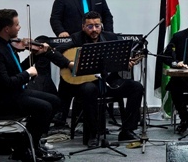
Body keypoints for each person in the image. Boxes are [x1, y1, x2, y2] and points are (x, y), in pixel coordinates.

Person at [0, 9, 63, 161]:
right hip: (0, 101)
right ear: (7, 28)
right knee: (44, 108)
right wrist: (28, 74)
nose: (19, 27)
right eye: (17, 25)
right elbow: (7, 83)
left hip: (13, 93)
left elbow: (17, 70)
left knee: (55, 101)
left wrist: (35, 56)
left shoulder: (5, 44)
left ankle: (28, 145)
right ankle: (26, 149)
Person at [54, 11, 143, 147]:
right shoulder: (76, 39)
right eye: (90, 26)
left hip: (108, 81)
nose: (94, 29)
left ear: (101, 26)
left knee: (136, 87)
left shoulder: (110, 37)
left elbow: (117, 61)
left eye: (97, 26)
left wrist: (125, 63)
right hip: (85, 84)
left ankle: (127, 130)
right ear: (83, 27)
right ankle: (92, 135)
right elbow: (54, 53)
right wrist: (69, 64)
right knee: (89, 89)